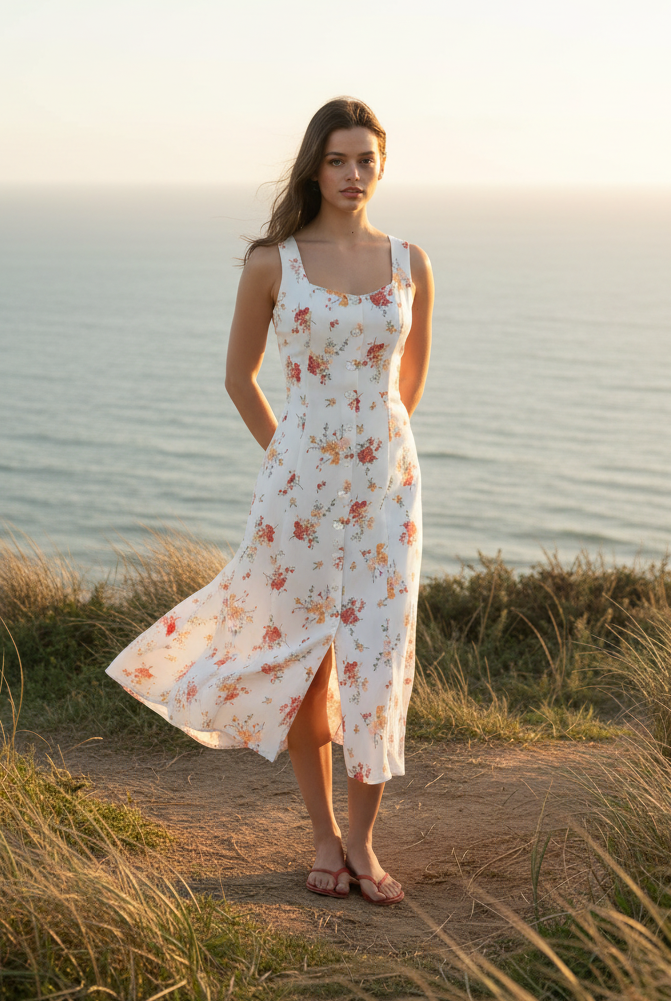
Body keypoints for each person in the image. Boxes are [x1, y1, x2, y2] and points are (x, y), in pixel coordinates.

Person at [106, 97, 434, 905]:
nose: (353, 175)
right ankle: (322, 832)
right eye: (337, 160)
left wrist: (379, 459)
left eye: (365, 159)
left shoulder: (410, 262)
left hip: (388, 497)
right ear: (313, 168)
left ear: (381, 165)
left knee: (376, 663)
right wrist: (293, 458)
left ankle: (362, 840)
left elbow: (411, 379)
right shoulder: (273, 263)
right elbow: (238, 379)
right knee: (305, 661)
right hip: (298, 497)